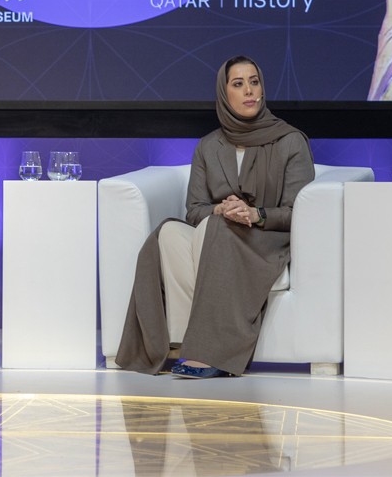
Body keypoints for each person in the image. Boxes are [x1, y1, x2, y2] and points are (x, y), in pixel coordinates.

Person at [116, 56, 315, 378]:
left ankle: (211, 354)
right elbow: (194, 210)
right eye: (238, 84)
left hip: (265, 240)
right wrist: (220, 208)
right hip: (217, 233)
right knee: (166, 234)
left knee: (219, 227)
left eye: (254, 81)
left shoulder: (290, 141)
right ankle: (168, 343)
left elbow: (299, 213)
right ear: (225, 94)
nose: (249, 91)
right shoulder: (209, 146)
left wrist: (255, 213)